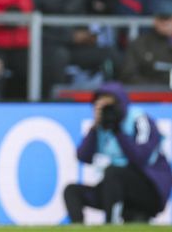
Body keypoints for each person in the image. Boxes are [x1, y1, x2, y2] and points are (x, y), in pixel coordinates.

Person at [63, 82, 172, 224]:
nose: (108, 111)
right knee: (72, 191)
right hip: (115, 188)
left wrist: (118, 130)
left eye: (110, 106)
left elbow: (140, 158)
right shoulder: (101, 127)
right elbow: (83, 157)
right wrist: (95, 127)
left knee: (113, 173)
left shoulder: (139, 119)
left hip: (150, 189)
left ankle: (110, 224)